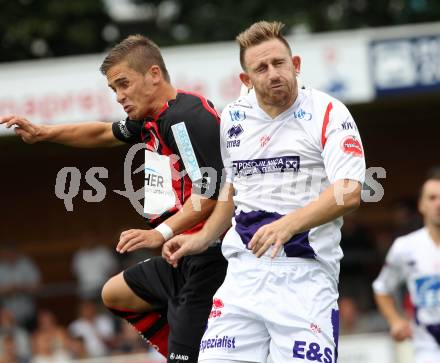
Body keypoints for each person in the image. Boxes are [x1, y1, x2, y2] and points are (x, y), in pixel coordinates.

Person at [0, 34, 227, 363]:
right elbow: (103, 132)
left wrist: (158, 233)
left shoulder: (183, 121)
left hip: (211, 257)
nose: (119, 97)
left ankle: (192, 350)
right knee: (116, 293)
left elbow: (209, 194)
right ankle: (189, 348)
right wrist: (45, 133)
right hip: (183, 255)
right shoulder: (152, 119)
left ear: (153, 74)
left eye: (124, 84)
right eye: (113, 89)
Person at [163, 20, 365, 363]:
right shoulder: (233, 118)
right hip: (243, 276)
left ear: (296, 64)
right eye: (261, 67)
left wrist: (288, 224)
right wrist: (204, 237)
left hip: (305, 277)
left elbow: (349, 190)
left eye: (280, 63)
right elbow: (233, 186)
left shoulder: (328, 111)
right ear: (246, 79)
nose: (274, 74)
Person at [373, 167, 440, 363]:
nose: (438, 204)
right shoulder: (406, 247)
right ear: (421, 205)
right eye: (432, 198)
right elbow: (381, 288)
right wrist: (395, 320)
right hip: (427, 351)